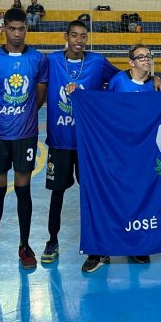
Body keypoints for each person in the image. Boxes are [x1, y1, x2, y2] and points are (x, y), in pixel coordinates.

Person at [0, 8, 48, 273]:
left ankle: (25, 246)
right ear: (4, 28)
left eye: (21, 28)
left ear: (27, 28)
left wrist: (23, 115)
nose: (17, 34)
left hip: (25, 135)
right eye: (12, 28)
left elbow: (38, 98)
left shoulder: (38, 59)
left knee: (23, 190)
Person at [41, 20, 120, 271]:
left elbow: (123, 78)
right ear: (66, 36)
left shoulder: (97, 62)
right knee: (57, 194)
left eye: (83, 36)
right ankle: (52, 240)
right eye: (74, 35)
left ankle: (99, 246)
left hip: (88, 143)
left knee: (92, 194)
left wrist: (152, 79)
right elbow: (25, 69)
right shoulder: (52, 61)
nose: (78, 40)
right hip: (60, 141)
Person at [91, 43, 158, 269]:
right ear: (131, 62)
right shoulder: (119, 81)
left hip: (145, 154)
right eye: (141, 57)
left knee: (141, 197)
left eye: (148, 56)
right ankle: (109, 244)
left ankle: (137, 246)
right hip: (120, 150)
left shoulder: (155, 86)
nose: (146, 60)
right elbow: (106, 109)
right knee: (118, 196)